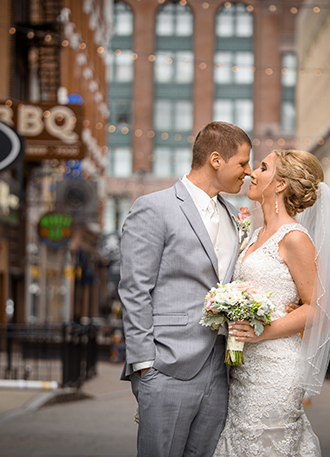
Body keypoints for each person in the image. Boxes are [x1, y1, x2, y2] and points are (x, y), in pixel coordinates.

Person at [119, 121, 252, 457]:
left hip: (220, 368)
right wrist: (144, 363)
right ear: (216, 160)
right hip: (167, 364)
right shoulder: (154, 207)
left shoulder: (235, 216)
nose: (248, 172)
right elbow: (135, 289)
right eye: (243, 163)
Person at [213, 150, 330, 457]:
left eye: (262, 167)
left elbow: (319, 308)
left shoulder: (295, 238)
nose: (252, 173)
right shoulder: (255, 235)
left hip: (276, 369)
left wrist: (263, 332)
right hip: (244, 368)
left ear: (281, 184)